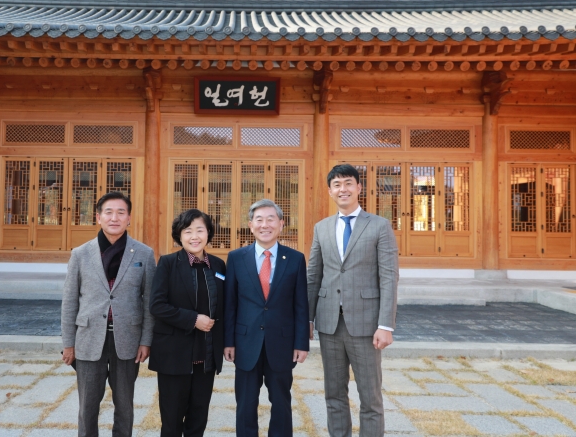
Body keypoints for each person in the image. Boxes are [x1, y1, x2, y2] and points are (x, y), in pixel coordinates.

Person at [307, 164, 399, 437]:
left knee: (370, 397)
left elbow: (389, 277)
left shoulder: (379, 226)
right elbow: (314, 276)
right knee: (333, 394)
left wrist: (386, 325)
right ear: (330, 191)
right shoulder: (321, 228)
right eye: (337, 184)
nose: (342, 189)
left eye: (348, 183)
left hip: (367, 324)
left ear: (359, 188)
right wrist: (307, 319)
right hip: (329, 324)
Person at [61, 191, 155, 437]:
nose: (115, 218)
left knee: (125, 405)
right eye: (109, 212)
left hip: (128, 339)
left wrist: (146, 340)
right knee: (87, 406)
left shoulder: (144, 254)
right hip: (89, 338)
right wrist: (68, 344)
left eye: (121, 212)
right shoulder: (80, 254)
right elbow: (70, 301)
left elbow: (149, 302)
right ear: (99, 217)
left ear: (129, 218)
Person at [224, 199, 310, 437]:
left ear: (281, 224)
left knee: (281, 403)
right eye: (259, 220)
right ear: (250, 225)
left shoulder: (295, 258)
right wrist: (228, 341)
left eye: (271, 219)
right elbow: (230, 304)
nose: (265, 225)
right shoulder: (236, 257)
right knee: (246, 405)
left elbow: (301, 305)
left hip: (282, 343)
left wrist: (301, 343)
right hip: (245, 342)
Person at [149, 209, 226, 437]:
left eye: (200, 230)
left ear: (208, 233)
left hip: (206, 355)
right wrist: (193, 319)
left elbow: (225, 306)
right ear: (179, 236)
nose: (195, 236)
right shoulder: (168, 263)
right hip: (174, 355)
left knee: (198, 418)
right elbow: (157, 305)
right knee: (172, 422)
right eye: (188, 231)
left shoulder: (219, 266)